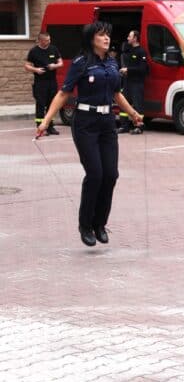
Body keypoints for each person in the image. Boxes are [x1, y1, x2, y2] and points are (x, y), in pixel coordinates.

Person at [37, 21, 142, 247]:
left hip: (107, 123)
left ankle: (99, 224)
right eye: (102, 35)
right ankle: (85, 226)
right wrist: (46, 121)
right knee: (95, 174)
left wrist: (133, 113)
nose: (106, 39)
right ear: (91, 38)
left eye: (108, 35)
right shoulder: (81, 62)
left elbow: (116, 94)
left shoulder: (113, 63)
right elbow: (64, 93)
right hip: (85, 123)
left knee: (111, 175)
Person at [25, 32, 63, 136]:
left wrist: (54, 66)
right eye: (47, 40)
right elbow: (27, 66)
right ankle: (40, 127)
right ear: (40, 40)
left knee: (52, 104)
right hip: (40, 82)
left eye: (49, 40)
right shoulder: (34, 51)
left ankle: (50, 127)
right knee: (41, 105)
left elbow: (61, 63)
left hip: (52, 82)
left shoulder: (53, 49)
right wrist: (36, 69)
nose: (49, 42)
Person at [118, 30, 149, 134]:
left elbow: (143, 69)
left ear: (135, 38)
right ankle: (124, 126)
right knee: (123, 104)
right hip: (127, 83)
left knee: (137, 106)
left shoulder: (141, 52)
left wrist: (128, 70)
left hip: (137, 83)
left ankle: (139, 127)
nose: (127, 38)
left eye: (129, 36)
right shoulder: (128, 51)